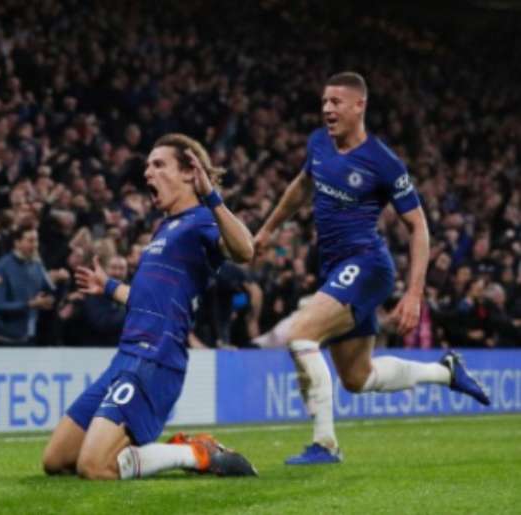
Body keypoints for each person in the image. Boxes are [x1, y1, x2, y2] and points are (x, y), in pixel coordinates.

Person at [253, 72, 490, 465]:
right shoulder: (318, 143)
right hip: (335, 269)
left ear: (359, 105)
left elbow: (418, 227)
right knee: (357, 378)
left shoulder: (384, 162)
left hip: (366, 264)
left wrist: (415, 293)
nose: (328, 109)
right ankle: (446, 372)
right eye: (325, 101)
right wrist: (266, 231)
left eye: (336, 102)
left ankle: (325, 444)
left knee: (301, 333)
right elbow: (300, 185)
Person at [42, 133, 257, 480]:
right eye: (147, 166)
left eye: (158, 165)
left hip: (155, 359)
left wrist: (212, 196)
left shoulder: (203, 219)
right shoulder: (164, 228)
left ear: (189, 172)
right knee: (56, 460)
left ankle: (195, 453)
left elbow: (246, 250)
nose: (147, 173)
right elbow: (146, 301)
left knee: (94, 467)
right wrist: (108, 287)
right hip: (124, 358)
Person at [0, 226, 56, 345]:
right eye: (30, 240)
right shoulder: (1, 267)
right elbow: (0, 305)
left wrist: (60, 285)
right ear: (17, 243)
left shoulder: (37, 264)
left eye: (36, 240)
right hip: (4, 338)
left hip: (30, 335)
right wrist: (30, 304)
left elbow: (48, 292)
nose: (35, 245)